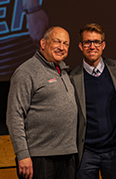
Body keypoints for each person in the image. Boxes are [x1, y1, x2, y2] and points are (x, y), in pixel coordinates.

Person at [6, 26, 77, 179]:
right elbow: (14, 116)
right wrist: (22, 154)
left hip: (67, 155)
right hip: (39, 157)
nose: (61, 47)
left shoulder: (64, 72)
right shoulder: (26, 72)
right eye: (57, 42)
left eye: (66, 44)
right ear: (43, 43)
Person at [70, 23, 116, 179]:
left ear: (103, 45)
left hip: (115, 151)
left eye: (96, 42)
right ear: (80, 46)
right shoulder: (72, 78)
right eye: (87, 42)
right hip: (87, 153)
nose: (92, 46)